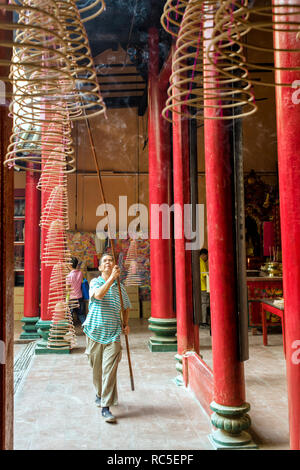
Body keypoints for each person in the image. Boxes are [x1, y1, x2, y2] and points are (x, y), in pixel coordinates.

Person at [83, 253, 131, 423]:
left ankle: (106, 406)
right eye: (105, 261)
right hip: (94, 332)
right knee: (96, 369)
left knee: (109, 371)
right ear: (100, 267)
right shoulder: (95, 282)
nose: (109, 262)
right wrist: (111, 278)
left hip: (113, 334)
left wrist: (125, 323)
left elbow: (126, 307)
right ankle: (99, 393)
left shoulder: (120, 287)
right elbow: (99, 296)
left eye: (111, 260)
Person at [66, 257, 86, 325]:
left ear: (70, 265)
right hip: (80, 297)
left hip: (72, 299)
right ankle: (87, 331)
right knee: (81, 315)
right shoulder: (80, 273)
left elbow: (67, 289)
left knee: (69, 317)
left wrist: (66, 299)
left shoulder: (69, 276)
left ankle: (70, 331)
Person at [199, 248, 210, 327]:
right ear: (203, 255)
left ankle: (203, 320)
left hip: (199, 287)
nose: (207, 258)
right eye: (206, 256)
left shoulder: (197, 261)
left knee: (203, 304)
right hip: (203, 287)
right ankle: (203, 321)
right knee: (204, 304)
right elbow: (204, 275)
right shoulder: (201, 262)